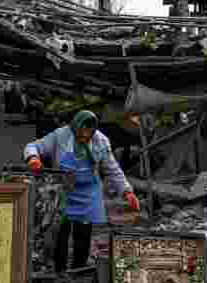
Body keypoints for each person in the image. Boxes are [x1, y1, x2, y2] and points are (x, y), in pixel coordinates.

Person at [24, 110, 140, 272]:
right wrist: (33, 158)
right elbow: (33, 146)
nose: (84, 136)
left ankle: (79, 270)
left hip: (88, 191)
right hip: (63, 189)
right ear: (75, 127)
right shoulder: (59, 136)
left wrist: (127, 191)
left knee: (83, 234)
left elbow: (112, 169)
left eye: (89, 133)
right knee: (60, 232)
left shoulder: (101, 141)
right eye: (81, 132)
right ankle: (60, 271)